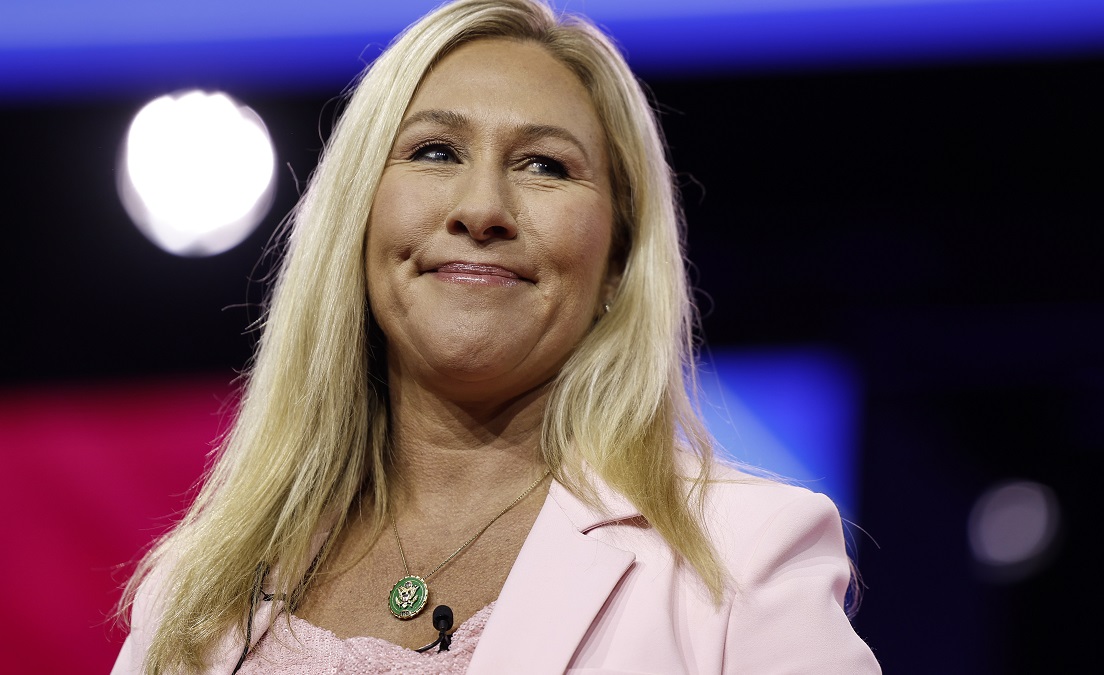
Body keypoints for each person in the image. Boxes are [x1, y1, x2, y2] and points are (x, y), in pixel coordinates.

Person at [112, 0, 881, 672]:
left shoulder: (745, 554)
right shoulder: (194, 587)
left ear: (617, 257)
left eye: (546, 165)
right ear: (358, 216)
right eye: (435, 151)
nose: (482, 208)